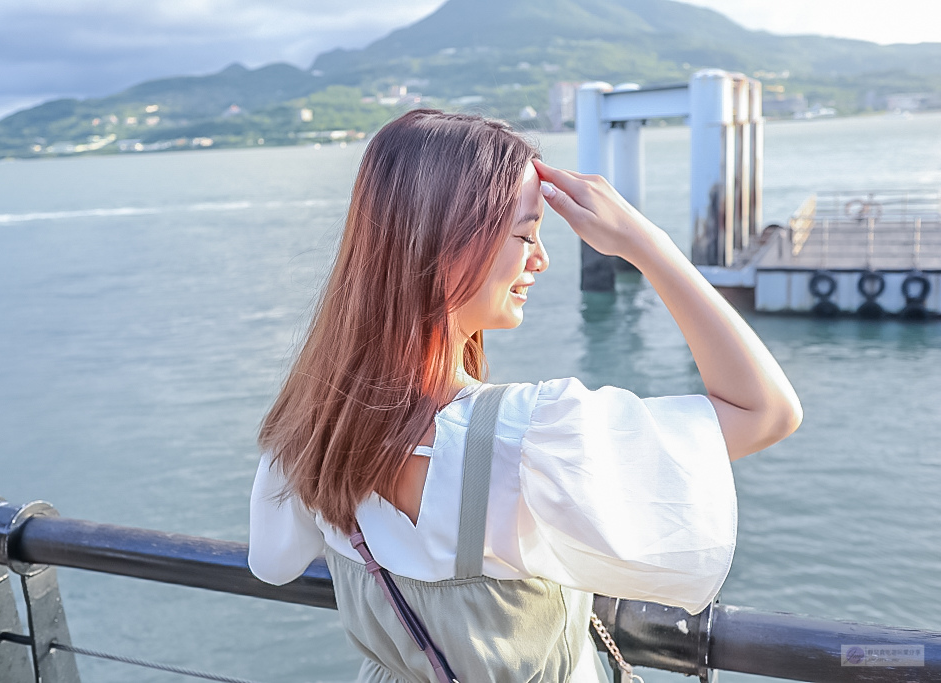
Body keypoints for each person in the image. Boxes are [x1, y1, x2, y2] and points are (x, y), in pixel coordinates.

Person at [248, 109, 802, 682]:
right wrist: (648, 245)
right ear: (448, 246)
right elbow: (766, 410)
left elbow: (273, 563)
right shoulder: (524, 436)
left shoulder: (311, 424)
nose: (540, 258)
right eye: (523, 234)